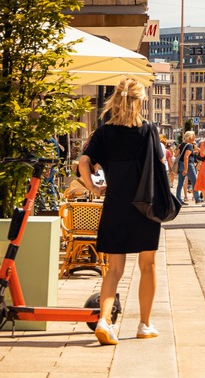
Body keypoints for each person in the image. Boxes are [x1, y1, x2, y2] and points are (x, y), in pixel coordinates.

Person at [77, 77, 161, 346]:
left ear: (115, 100)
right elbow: (159, 165)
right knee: (147, 266)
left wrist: (93, 187)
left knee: (114, 270)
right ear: (140, 101)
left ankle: (104, 320)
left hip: (115, 204)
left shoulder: (104, 132)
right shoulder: (148, 130)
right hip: (145, 205)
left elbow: (83, 161)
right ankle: (144, 325)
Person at [176, 130, 199, 205]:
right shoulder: (189, 145)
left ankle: (178, 199)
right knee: (194, 181)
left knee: (180, 183)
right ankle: (197, 198)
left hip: (180, 164)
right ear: (190, 137)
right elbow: (186, 157)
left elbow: (176, 154)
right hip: (188, 165)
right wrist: (186, 169)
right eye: (193, 136)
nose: (194, 137)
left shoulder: (182, 144)